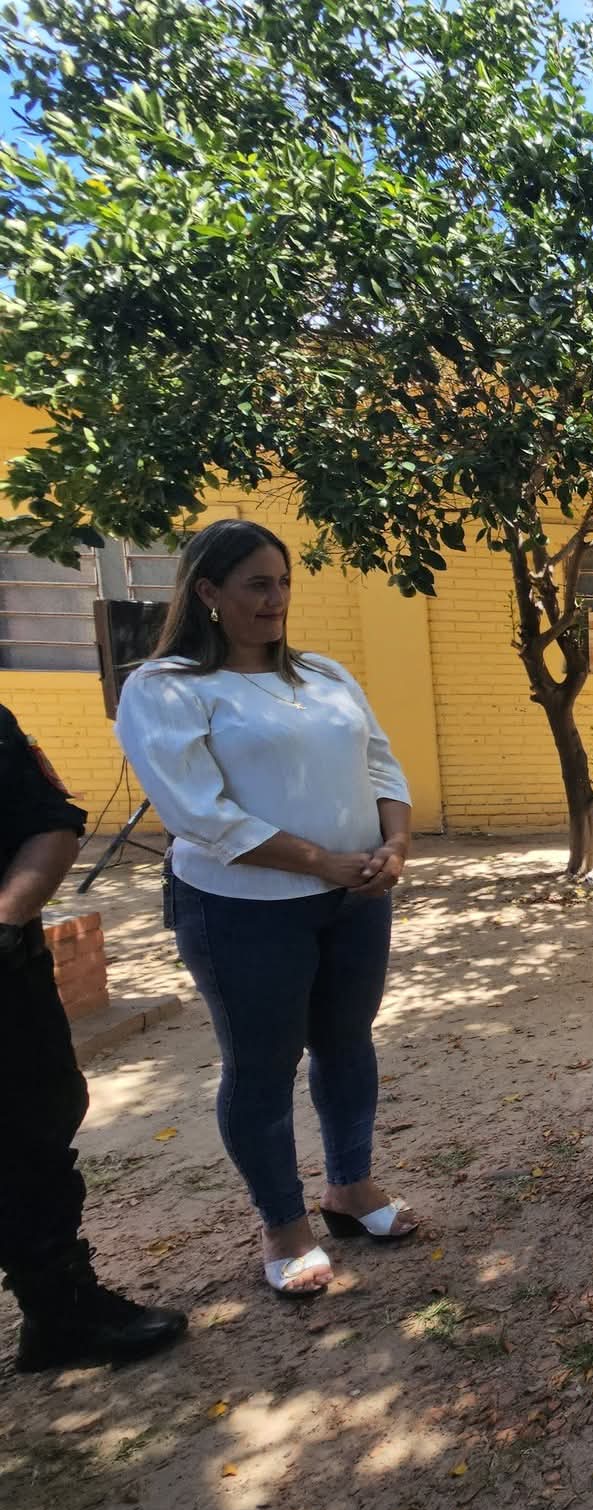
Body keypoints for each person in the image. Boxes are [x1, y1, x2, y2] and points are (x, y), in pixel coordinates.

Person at [115, 520, 417, 1298]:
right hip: (244, 907)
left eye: (282, 581)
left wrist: (396, 843)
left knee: (347, 1044)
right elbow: (199, 813)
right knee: (262, 1065)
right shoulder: (168, 688)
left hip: (354, 899)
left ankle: (349, 1185)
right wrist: (319, 859)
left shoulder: (323, 673)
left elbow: (380, 759)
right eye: (256, 584)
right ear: (208, 594)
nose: (275, 598)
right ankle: (283, 1224)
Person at [1, 705, 187, 1369]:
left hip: (6, 974)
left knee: (32, 1137)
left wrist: (5, 918)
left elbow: (50, 823)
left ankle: (59, 1312)